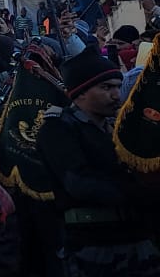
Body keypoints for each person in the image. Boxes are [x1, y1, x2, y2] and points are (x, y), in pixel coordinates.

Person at [37, 48, 160, 276]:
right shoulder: (58, 129)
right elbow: (80, 183)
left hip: (138, 238)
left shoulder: (118, 129)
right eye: (106, 87)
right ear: (80, 92)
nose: (116, 95)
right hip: (94, 246)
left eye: (117, 86)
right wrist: (143, 191)